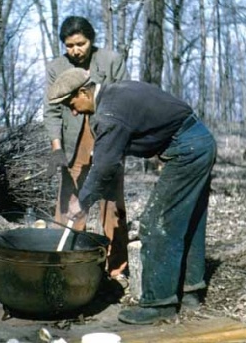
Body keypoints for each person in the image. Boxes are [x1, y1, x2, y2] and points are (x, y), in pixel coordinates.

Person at [47, 68, 216, 325]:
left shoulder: (109, 115)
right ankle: (192, 291)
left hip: (188, 150)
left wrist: (81, 204)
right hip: (199, 141)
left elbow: (103, 169)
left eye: (72, 103)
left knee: (155, 223)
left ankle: (159, 304)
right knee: (188, 219)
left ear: (84, 92)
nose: (73, 111)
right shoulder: (115, 92)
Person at [43, 16, 129, 284]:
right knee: (70, 205)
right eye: (69, 45)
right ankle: (66, 265)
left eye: (80, 44)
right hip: (73, 144)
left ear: (91, 41)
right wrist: (57, 149)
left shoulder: (110, 60)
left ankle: (116, 269)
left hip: (107, 140)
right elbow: (52, 111)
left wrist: (115, 144)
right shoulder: (56, 67)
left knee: (111, 206)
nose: (75, 50)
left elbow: (125, 101)